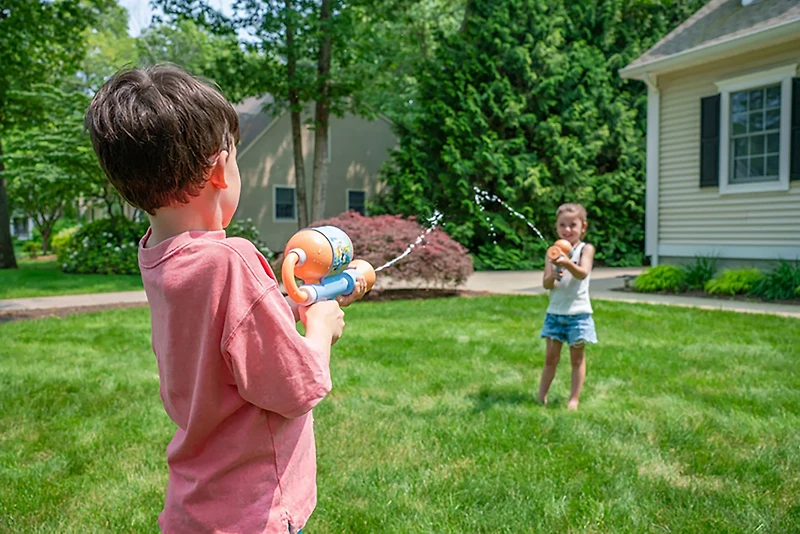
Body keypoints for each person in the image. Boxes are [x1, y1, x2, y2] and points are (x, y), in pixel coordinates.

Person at [85, 64, 365, 534]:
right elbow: (296, 389)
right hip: (252, 512)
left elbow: (229, 336)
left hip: (198, 504)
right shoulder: (229, 260)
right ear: (219, 168)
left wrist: (289, 306)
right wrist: (320, 327)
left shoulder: (158, 255)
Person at [537, 203, 597, 410]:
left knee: (577, 360)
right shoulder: (552, 252)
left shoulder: (585, 249)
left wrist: (567, 263)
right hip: (554, 314)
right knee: (550, 359)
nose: (567, 230)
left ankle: (573, 399)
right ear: (556, 227)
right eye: (563, 225)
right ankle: (541, 396)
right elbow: (546, 284)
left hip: (578, 315)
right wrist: (552, 275)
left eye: (573, 225)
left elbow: (583, 272)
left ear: (583, 227)